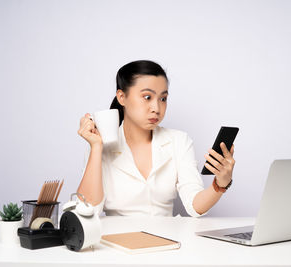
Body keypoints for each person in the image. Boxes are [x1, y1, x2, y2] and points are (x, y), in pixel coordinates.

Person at [77, 60, 236, 217]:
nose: (156, 108)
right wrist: (96, 147)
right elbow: (88, 210)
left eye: (163, 99)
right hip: (117, 238)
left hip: (166, 239)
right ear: (121, 97)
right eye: (147, 97)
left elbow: (194, 205)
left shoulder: (179, 141)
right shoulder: (100, 144)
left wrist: (220, 184)